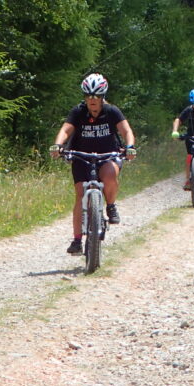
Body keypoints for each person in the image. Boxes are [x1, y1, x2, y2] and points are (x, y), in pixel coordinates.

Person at [49, 73, 136, 255]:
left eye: (96, 96)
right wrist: (58, 145)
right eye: (88, 96)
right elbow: (65, 130)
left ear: (102, 96)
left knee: (110, 175)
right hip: (81, 157)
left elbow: (126, 130)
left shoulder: (112, 111)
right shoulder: (78, 112)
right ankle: (77, 240)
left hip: (107, 155)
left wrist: (130, 147)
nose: (92, 100)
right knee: (80, 195)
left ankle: (110, 205)